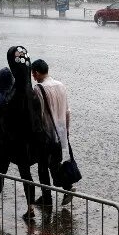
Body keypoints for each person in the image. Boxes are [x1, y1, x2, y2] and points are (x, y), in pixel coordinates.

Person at [0, 66, 39, 213]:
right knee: (26, 174)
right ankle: (31, 206)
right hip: (22, 142)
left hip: (4, 143)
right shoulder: (22, 95)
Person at [31, 59, 75, 207]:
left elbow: (39, 114)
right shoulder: (61, 85)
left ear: (36, 72)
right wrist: (66, 133)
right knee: (55, 164)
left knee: (43, 168)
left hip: (46, 135)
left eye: (33, 73)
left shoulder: (38, 89)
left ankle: (47, 199)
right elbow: (68, 112)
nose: (33, 77)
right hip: (60, 133)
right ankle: (67, 188)